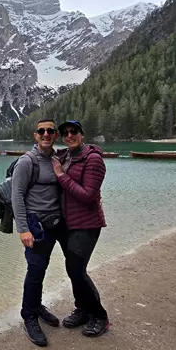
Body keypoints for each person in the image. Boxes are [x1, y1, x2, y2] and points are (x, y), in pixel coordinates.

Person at [50, 120, 111, 337]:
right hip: (67, 224)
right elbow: (44, 152)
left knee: (76, 270)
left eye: (73, 132)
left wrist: (61, 176)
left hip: (86, 224)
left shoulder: (93, 160)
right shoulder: (65, 156)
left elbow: (88, 195)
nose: (69, 135)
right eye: (65, 133)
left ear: (82, 134)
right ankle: (82, 309)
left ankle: (100, 316)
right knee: (73, 270)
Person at [10, 118, 63, 347]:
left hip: (55, 224)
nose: (46, 134)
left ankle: (37, 306)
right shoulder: (26, 162)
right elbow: (16, 197)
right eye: (41, 131)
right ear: (35, 135)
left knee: (41, 268)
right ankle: (29, 316)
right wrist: (23, 229)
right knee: (35, 270)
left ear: (55, 135)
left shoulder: (57, 158)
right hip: (35, 226)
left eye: (50, 131)